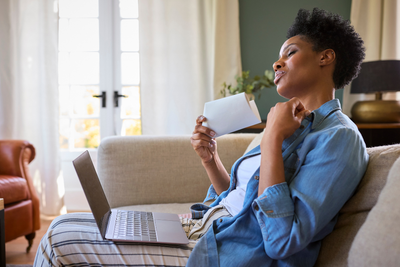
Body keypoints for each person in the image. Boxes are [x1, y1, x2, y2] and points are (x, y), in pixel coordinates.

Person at [34, 8, 368, 267]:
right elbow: (240, 203)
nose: (277, 62)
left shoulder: (339, 138)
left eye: (290, 52)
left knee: (57, 237)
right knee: (73, 223)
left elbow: (280, 241)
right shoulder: (289, 124)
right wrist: (211, 160)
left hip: (224, 254)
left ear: (325, 57)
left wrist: (271, 140)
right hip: (203, 229)